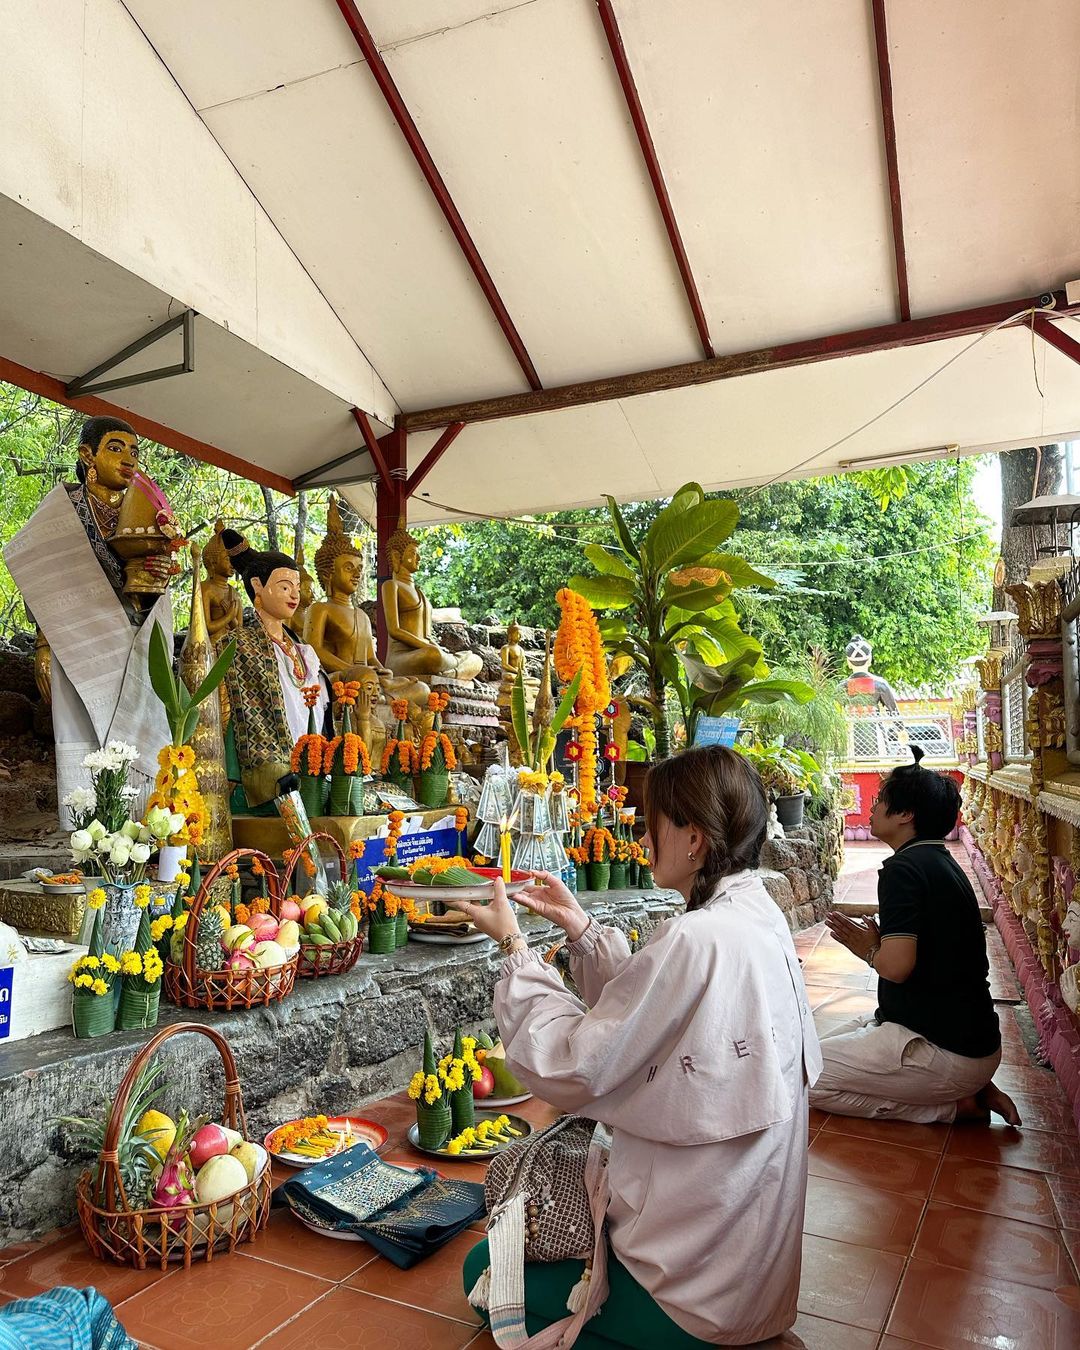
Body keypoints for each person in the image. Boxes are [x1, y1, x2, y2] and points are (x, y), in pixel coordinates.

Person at [456, 745, 821, 1348]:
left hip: (692, 1283)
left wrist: (514, 950)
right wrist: (582, 930)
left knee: (484, 1275)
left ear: (695, 839)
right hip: (746, 1268)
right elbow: (652, 1018)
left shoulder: (696, 938)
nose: (643, 833)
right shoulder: (757, 915)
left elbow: (574, 1063)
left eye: (655, 820)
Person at [813, 747, 1020, 1125]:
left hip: (947, 1050)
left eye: (880, 801)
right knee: (807, 1052)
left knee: (803, 1078)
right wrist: (878, 946)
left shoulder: (904, 870)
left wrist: (870, 951)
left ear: (906, 815)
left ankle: (954, 1106)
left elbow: (897, 968)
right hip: (967, 1042)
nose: (872, 808)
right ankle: (973, 1088)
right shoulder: (938, 860)